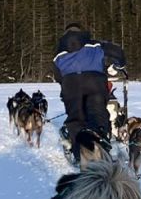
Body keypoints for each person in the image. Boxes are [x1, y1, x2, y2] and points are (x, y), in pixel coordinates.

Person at [53, 23, 126, 153]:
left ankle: (79, 153)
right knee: (98, 115)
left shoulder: (59, 54)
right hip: (95, 83)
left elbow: (58, 77)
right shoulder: (95, 44)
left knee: (76, 120)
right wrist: (119, 66)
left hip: (70, 85)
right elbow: (118, 52)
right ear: (82, 33)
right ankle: (102, 146)